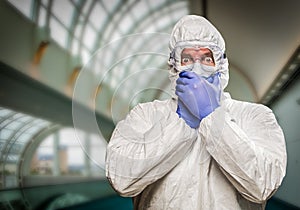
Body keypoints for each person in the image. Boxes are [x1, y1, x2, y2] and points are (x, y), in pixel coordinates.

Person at [105, 15, 287, 210]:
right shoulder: (146, 115)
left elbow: (263, 186)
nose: (197, 67)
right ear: (174, 66)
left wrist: (212, 117)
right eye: (187, 59)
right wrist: (182, 123)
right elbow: (121, 179)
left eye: (207, 58)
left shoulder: (255, 116)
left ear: (221, 64)